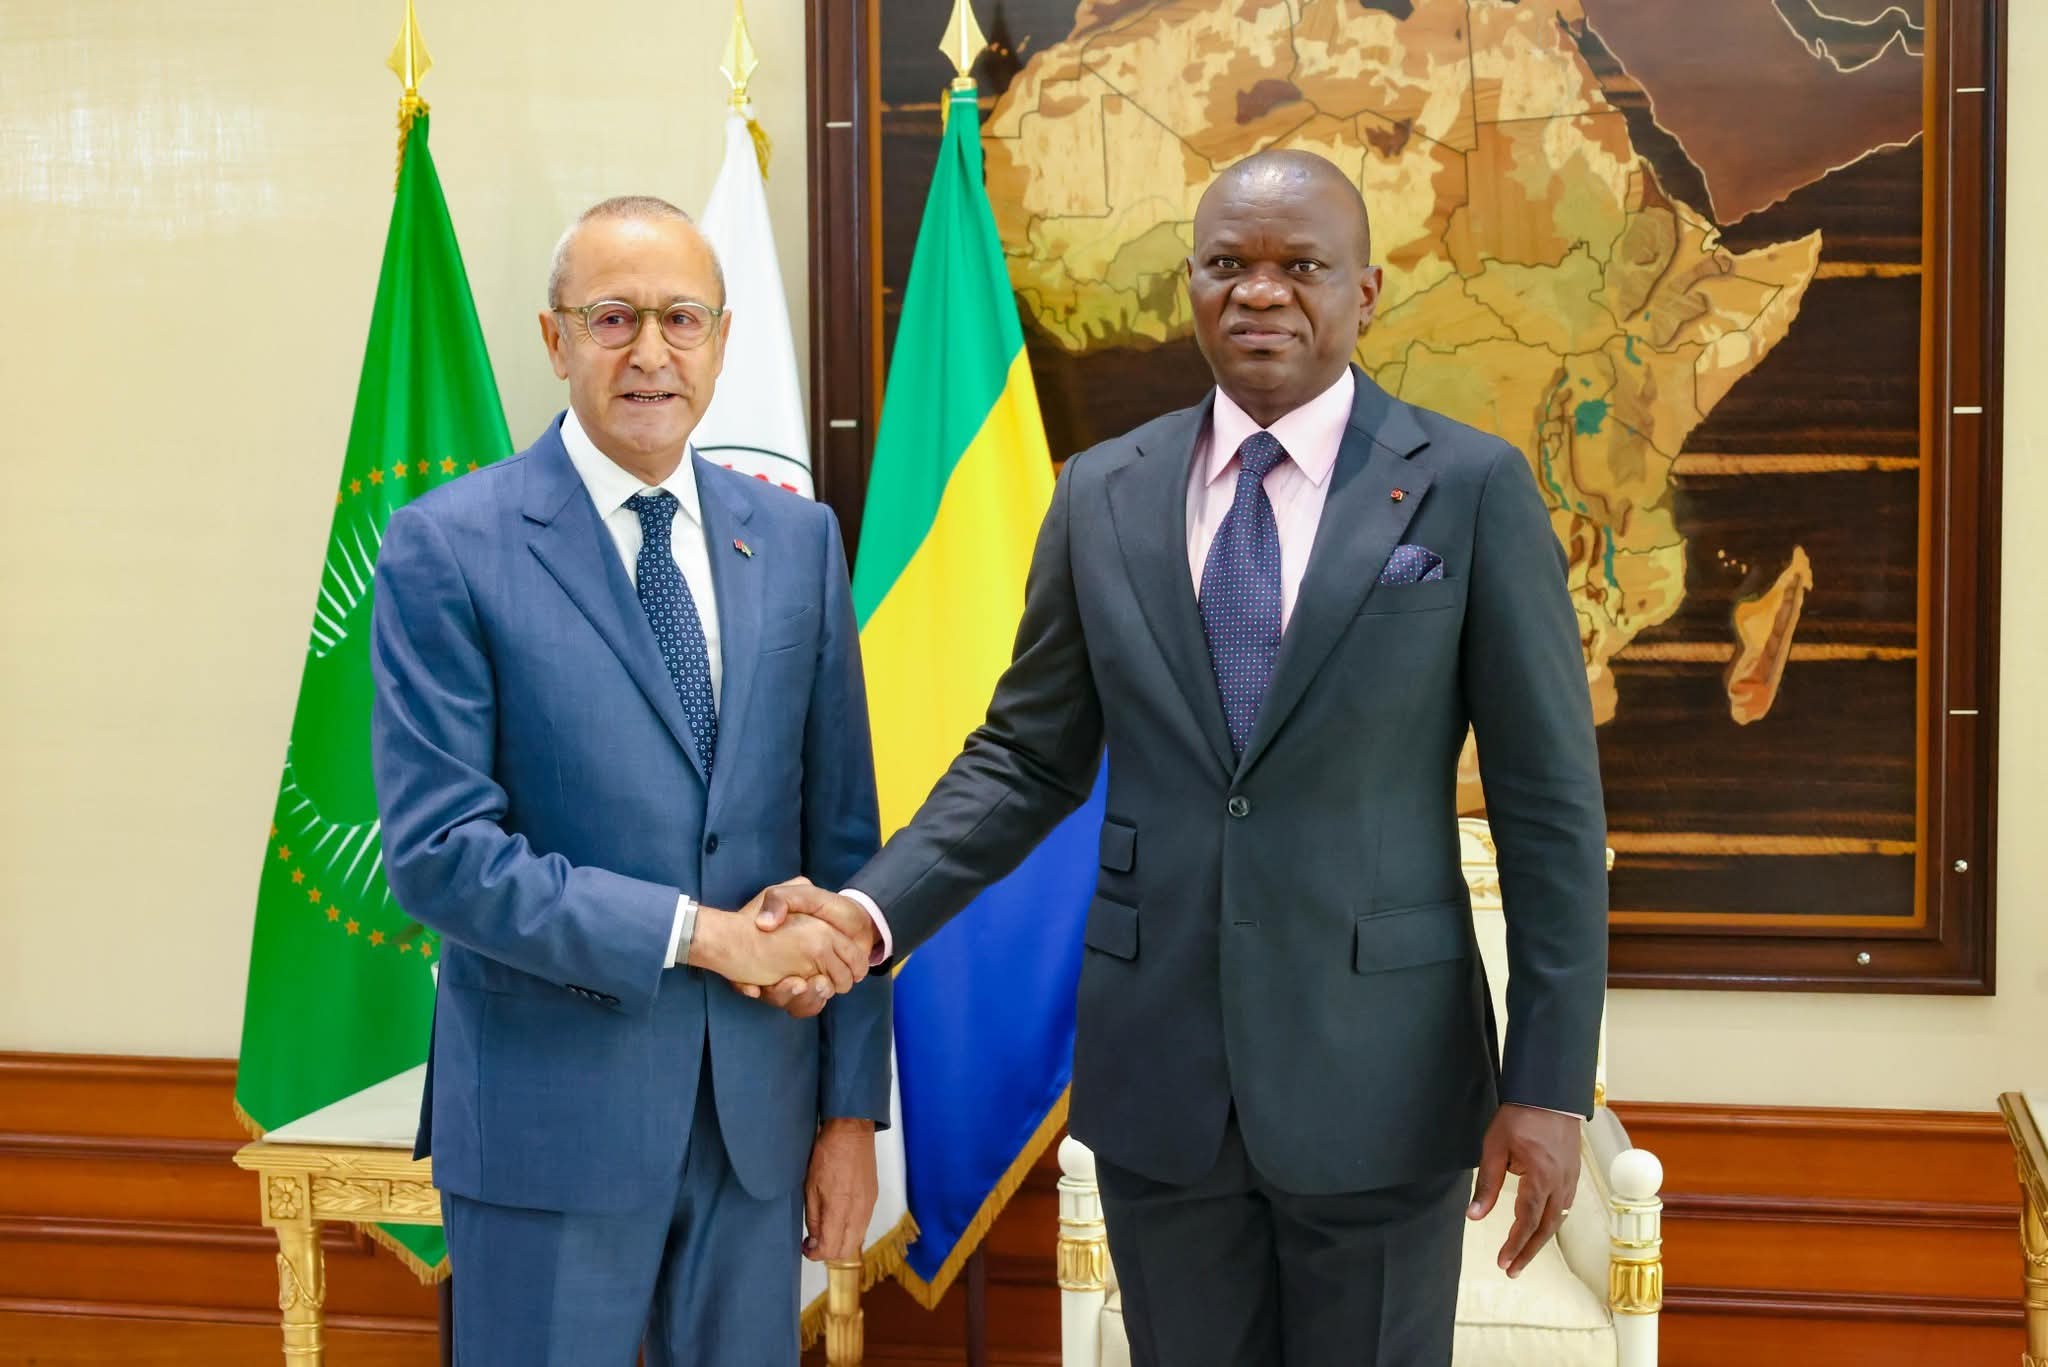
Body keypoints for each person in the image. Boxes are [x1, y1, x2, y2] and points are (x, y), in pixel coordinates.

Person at [757, 150, 1609, 1365]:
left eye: (1299, 265)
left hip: (1385, 1080)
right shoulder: (1100, 491)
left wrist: (1547, 1082)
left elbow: (1547, 811)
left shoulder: (1468, 488)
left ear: (1364, 292)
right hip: (1160, 1082)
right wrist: (864, 912)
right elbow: (1025, 757)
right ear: (1191, 288)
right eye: (1226, 264)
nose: (1259, 290)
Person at [369, 195, 889, 1366]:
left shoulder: (795, 541)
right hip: (550, 1125)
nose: (651, 351)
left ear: (721, 339)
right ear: (554, 339)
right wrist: (700, 933)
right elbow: (442, 854)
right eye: (613, 318)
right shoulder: (449, 545)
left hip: (756, 1128)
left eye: (680, 318)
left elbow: (843, 844)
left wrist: (848, 1112)